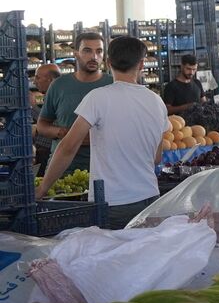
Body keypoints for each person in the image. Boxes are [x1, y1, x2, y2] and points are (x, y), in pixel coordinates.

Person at [35, 37, 167, 229]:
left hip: (113, 203)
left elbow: (68, 147)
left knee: (114, 256)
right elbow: (156, 157)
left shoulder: (98, 97)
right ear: (141, 64)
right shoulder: (156, 101)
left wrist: (42, 189)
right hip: (150, 197)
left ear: (108, 62)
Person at [36, 31, 111, 174]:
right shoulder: (59, 85)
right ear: (76, 53)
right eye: (87, 51)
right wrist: (62, 132)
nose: (94, 57)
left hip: (104, 170)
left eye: (99, 51)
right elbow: (42, 124)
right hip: (62, 171)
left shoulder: (113, 84)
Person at [30, 63, 61, 172]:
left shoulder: (60, 97)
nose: (34, 82)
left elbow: (52, 123)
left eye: (38, 77)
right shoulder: (50, 96)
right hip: (46, 151)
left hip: (52, 153)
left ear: (50, 80)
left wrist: (31, 107)